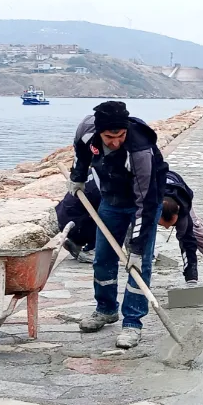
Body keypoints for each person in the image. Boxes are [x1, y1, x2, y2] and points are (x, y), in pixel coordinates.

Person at [68, 102, 168, 349]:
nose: (115, 142)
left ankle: (132, 323)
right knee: (102, 258)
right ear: (99, 131)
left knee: (138, 263)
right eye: (109, 137)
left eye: (120, 136)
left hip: (143, 202)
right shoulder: (86, 130)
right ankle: (106, 309)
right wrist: (78, 178)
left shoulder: (139, 150)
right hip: (111, 199)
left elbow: (145, 202)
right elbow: (82, 153)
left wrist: (136, 247)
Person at [55, 175, 101, 263]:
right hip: (76, 225)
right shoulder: (104, 184)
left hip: (64, 219)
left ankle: (75, 243)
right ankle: (90, 250)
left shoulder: (95, 171)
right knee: (113, 215)